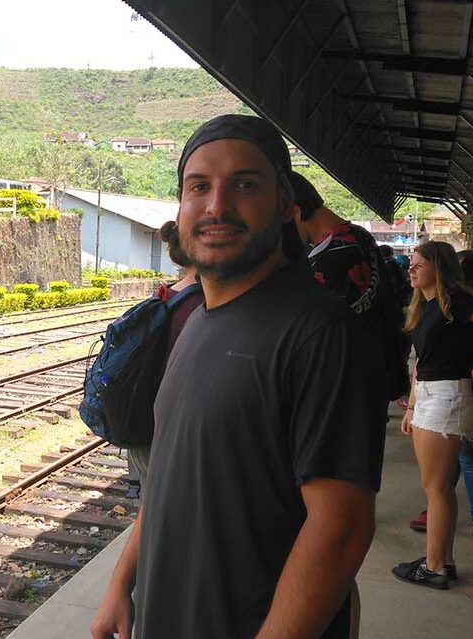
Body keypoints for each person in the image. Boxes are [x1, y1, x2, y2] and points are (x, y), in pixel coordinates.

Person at [91, 114, 385, 639]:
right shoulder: (196, 320)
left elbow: (340, 527)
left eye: (245, 184)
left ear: (285, 206)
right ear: (181, 207)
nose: (217, 206)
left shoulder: (319, 332)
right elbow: (169, 476)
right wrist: (121, 582)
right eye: (199, 186)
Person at [393, 241, 473, 590]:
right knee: (439, 488)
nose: (411, 269)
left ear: (439, 267)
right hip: (432, 397)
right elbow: (422, 362)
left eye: (418, 264)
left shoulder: (456, 301)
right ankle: (441, 560)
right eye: (411, 265)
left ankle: (434, 567)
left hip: (448, 397)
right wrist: (414, 405)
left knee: (436, 489)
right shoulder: (429, 306)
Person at [289, 172, 409, 403]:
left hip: (346, 391)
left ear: (295, 212)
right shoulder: (359, 237)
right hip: (375, 378)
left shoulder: (331, 257)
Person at [123, 220, 204, 499]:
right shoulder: (203, 306)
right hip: (174, 433)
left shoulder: (163, 296)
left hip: (144, 425)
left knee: (152, 504)